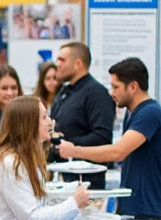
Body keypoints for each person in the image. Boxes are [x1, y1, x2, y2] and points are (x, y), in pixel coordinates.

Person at [58, 58, 161, 220]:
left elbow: (119, 152)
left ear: (133, 87)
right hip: (131, 204)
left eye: (116, 87)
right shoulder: (132, 113)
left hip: (146, 208)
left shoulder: (150, 113)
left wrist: (75, 150)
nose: (111, 93)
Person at [49, 42, 116, 189]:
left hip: (87, 181)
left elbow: (102, 137)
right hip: (62, 176)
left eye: (62, 60)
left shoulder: (96, 94)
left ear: (78, 63)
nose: (57, 64)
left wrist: (70, 146)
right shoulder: (65, 92)